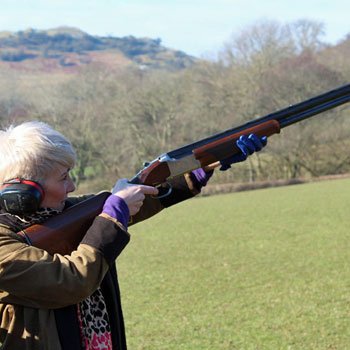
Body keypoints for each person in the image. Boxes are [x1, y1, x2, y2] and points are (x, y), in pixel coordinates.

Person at [0, 121, 267, 350]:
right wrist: (113, 216)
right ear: (23, 191)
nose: (72, 186)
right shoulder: (4, 241)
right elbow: (72, 281)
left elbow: (138, 201)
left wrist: (199, 169)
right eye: (63, 178)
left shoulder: (58, 212)